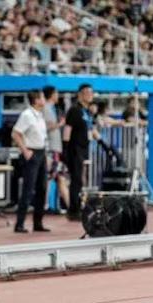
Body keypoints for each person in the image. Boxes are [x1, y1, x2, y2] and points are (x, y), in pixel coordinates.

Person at [12, 90, 50, 233]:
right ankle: (19, 223)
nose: (44, 100)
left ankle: (38, 223)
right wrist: (25, 150)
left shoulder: (40, 115)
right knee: (28, 189)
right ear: (36, 100)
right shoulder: (27, 115)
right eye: (42, 97)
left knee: (42, 188)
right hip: (31, 152)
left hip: (41, 152)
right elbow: (16, 133)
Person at [63, 83, 94, 221]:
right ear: (80, 94)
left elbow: (90, 129)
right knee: (76, 180)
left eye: (91, 92)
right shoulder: (75, 110)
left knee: (80, 180)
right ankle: (73, 210)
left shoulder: (86, 111)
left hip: (83, 148)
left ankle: (77, 207)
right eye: (87, 92)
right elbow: (67, 129)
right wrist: (65, 148)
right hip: (74, 149)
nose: (90, 95)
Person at [43, 85, 69, 212]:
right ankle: (44, 205)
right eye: (56, 93)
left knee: (61, 177)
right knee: (50, 177)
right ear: (52, 94)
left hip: (57, 148)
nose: (58, 96)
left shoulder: (53, 109)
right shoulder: (46, 109)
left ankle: (70, 206)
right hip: (51, 148)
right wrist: (60, 124)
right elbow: (46, 127)